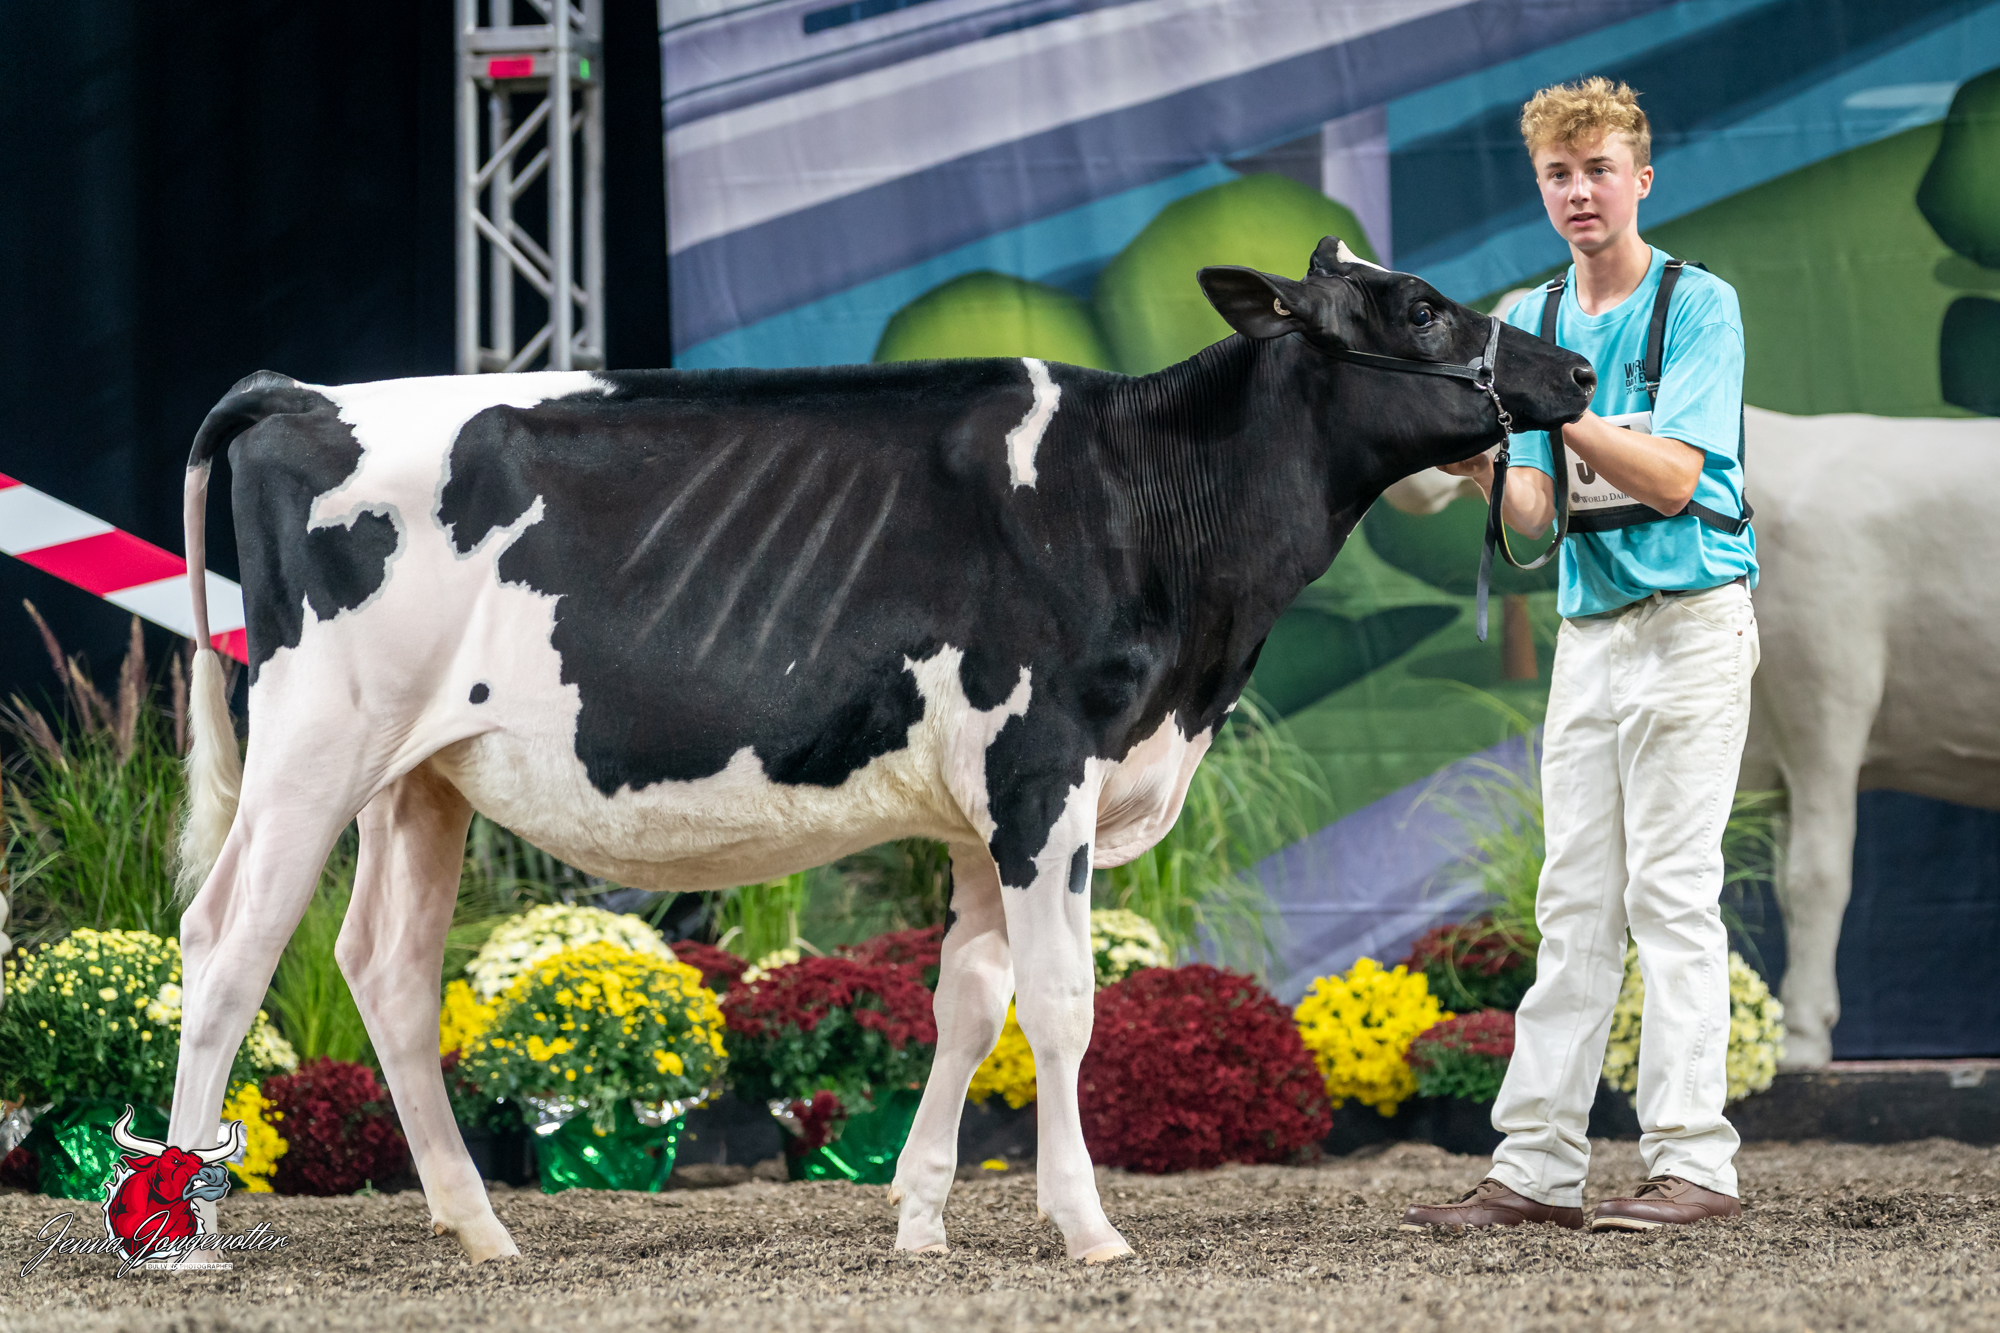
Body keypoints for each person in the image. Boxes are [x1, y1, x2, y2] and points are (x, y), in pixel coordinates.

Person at [1400, 77, 1758, 1233]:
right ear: (1541, 188)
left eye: (1597, 169)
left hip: (1693, 624)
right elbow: (1533, 517)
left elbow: (1675, 478)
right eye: (1557, 174)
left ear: (1638, 178)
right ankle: (1535, 1169)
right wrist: (1479, 465)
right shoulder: (1530, 315)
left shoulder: (1696, 305)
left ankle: (1693, 1164)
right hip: (1590, 634)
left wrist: (1548, 412)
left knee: (1670, 894)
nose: (1578, 191)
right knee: (1571, 903)